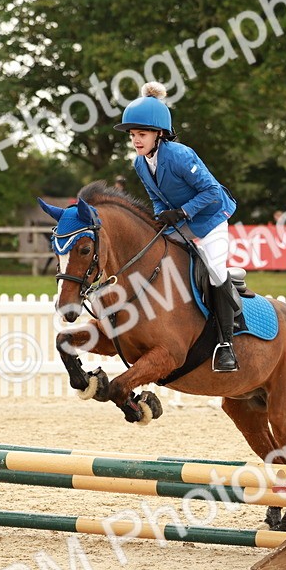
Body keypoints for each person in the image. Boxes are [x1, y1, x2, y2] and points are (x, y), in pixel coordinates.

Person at [114, 82, 239, 372]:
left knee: (216, 271)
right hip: (181, 224)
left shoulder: (181, 155)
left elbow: (212, 193)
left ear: (159, 133)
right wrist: (162, 216)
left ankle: (226, 343)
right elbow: (156, 199)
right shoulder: (140, 163)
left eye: (141, 134)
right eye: (133, 135)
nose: (136, 140)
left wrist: (181, 211)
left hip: (211, 220)